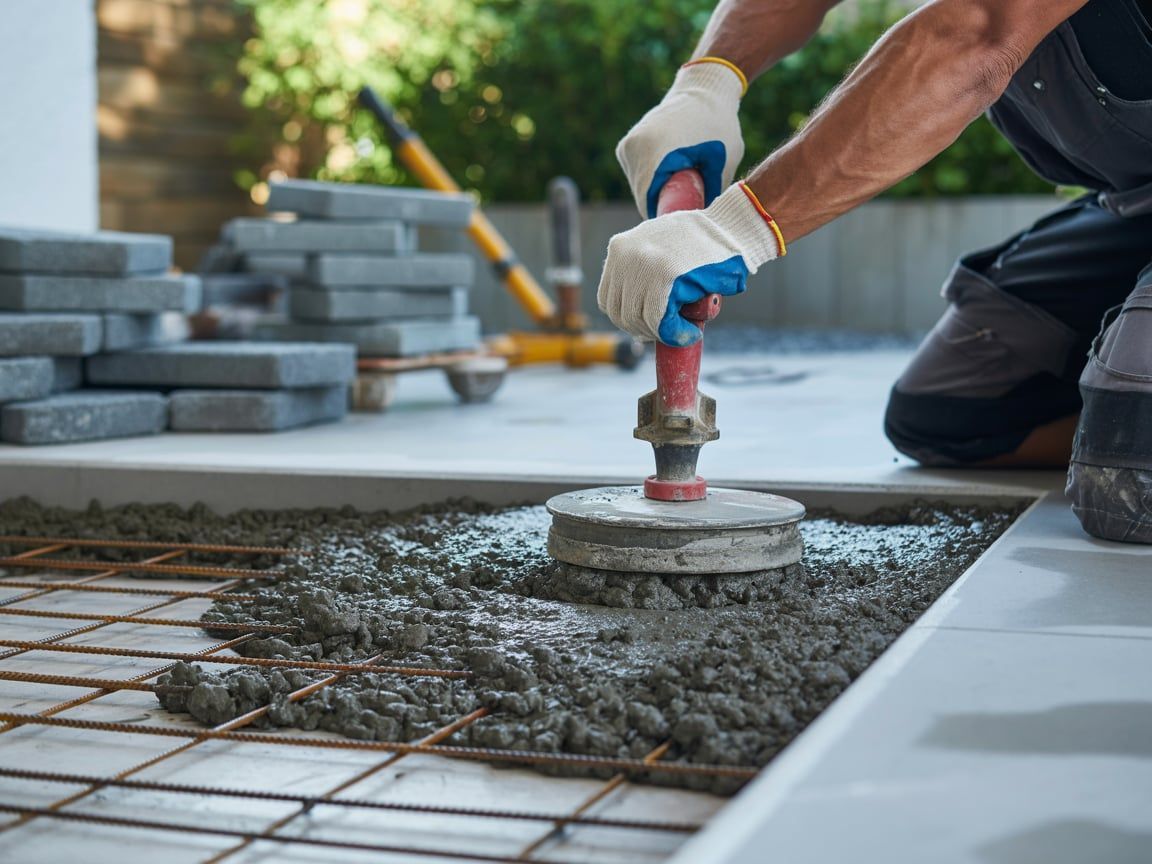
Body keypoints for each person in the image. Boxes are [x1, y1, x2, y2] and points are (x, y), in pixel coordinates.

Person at [599, 0, 1152, 543]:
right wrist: (708, 83)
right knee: (948, 416)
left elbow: (977, 32)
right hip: (1137, 205)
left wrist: (737, 228)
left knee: (1128, 482)